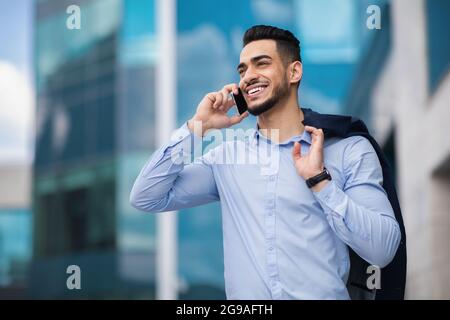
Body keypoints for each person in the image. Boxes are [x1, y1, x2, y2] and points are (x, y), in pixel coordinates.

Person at [130, 25, 402, 300]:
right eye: (242, 70)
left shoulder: (349, 149)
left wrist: (320, 182)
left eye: (261, 64)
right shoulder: (226, 158)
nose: (248, 76)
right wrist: (198, 128)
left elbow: (382, 250)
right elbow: (146, 197)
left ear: (294, 72)